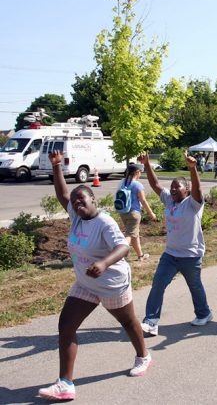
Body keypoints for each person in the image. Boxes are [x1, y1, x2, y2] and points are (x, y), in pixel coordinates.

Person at [38, 150, 151, 401]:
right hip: (86, 284)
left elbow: (123, 246)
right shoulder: (76, 217)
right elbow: (62, 194)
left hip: (112, 283)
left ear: (93, 201)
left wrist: (103, 263)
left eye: (82, 200)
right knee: (66, 326)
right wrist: (57, 166)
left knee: (128, 323)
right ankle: (65, 383)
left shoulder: (104, 222)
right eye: (75, 201)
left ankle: (144, 355)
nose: (77, 203)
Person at [139, 152, 212, 337]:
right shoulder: (169, 200)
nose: (172, 190)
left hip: (191, 255)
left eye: (177, 187)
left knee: (195, 286)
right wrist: (147, 164)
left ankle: (204, 313)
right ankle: (151, 321)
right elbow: (155, 185)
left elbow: (198, 190)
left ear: (186, 190)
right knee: (158, 284)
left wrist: (192, 168)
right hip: (170, 255)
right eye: (171, 187)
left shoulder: (193, 203)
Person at [117, 164, 157, 261]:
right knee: (130, 235)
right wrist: (151, 213)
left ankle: (140, 255)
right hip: (134, 214)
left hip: (123, 212)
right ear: (136, 172)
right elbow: (143, 200)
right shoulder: (137, 185)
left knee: (135, 234)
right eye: (140, 172)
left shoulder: (122, 182)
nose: (140, 174)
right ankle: (118, 255)